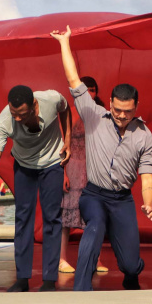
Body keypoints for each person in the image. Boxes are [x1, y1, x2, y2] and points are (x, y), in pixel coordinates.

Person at [51, 26, 152, 292]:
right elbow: (73, 79)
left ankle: (132, 276)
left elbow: (147, 177)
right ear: (109, 102)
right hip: (94, 195)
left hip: (122, 200)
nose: (122, 115)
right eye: (118, 109)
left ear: (136, 108)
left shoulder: (145, 137)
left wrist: (148, 203)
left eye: (128, 111)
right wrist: (65, 42)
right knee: (95, 225)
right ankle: (81, 290)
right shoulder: (94, 115)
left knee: (131, 265)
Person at [0, 85, 72, 292]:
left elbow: (65, 107)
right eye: (13, 113)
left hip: (52, 164)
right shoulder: (4, 122)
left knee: (52, 218)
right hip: (24, 166)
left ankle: (50, 280)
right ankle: (22, 279)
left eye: (21, 115)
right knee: (23, 219)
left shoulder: (50, 100)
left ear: (34, 106)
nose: (16, 119)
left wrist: (67, 139)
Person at [59, 76, 107, 275]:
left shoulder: (101, 114)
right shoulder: (68, 113)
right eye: (86, 89)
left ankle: (95, 258)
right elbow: (61, 145)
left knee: (95, 216)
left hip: (93, 168)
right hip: (72, 167)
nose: (89, 93)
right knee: (66, 219)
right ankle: (62, 259)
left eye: (93, 90)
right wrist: (63, 174)